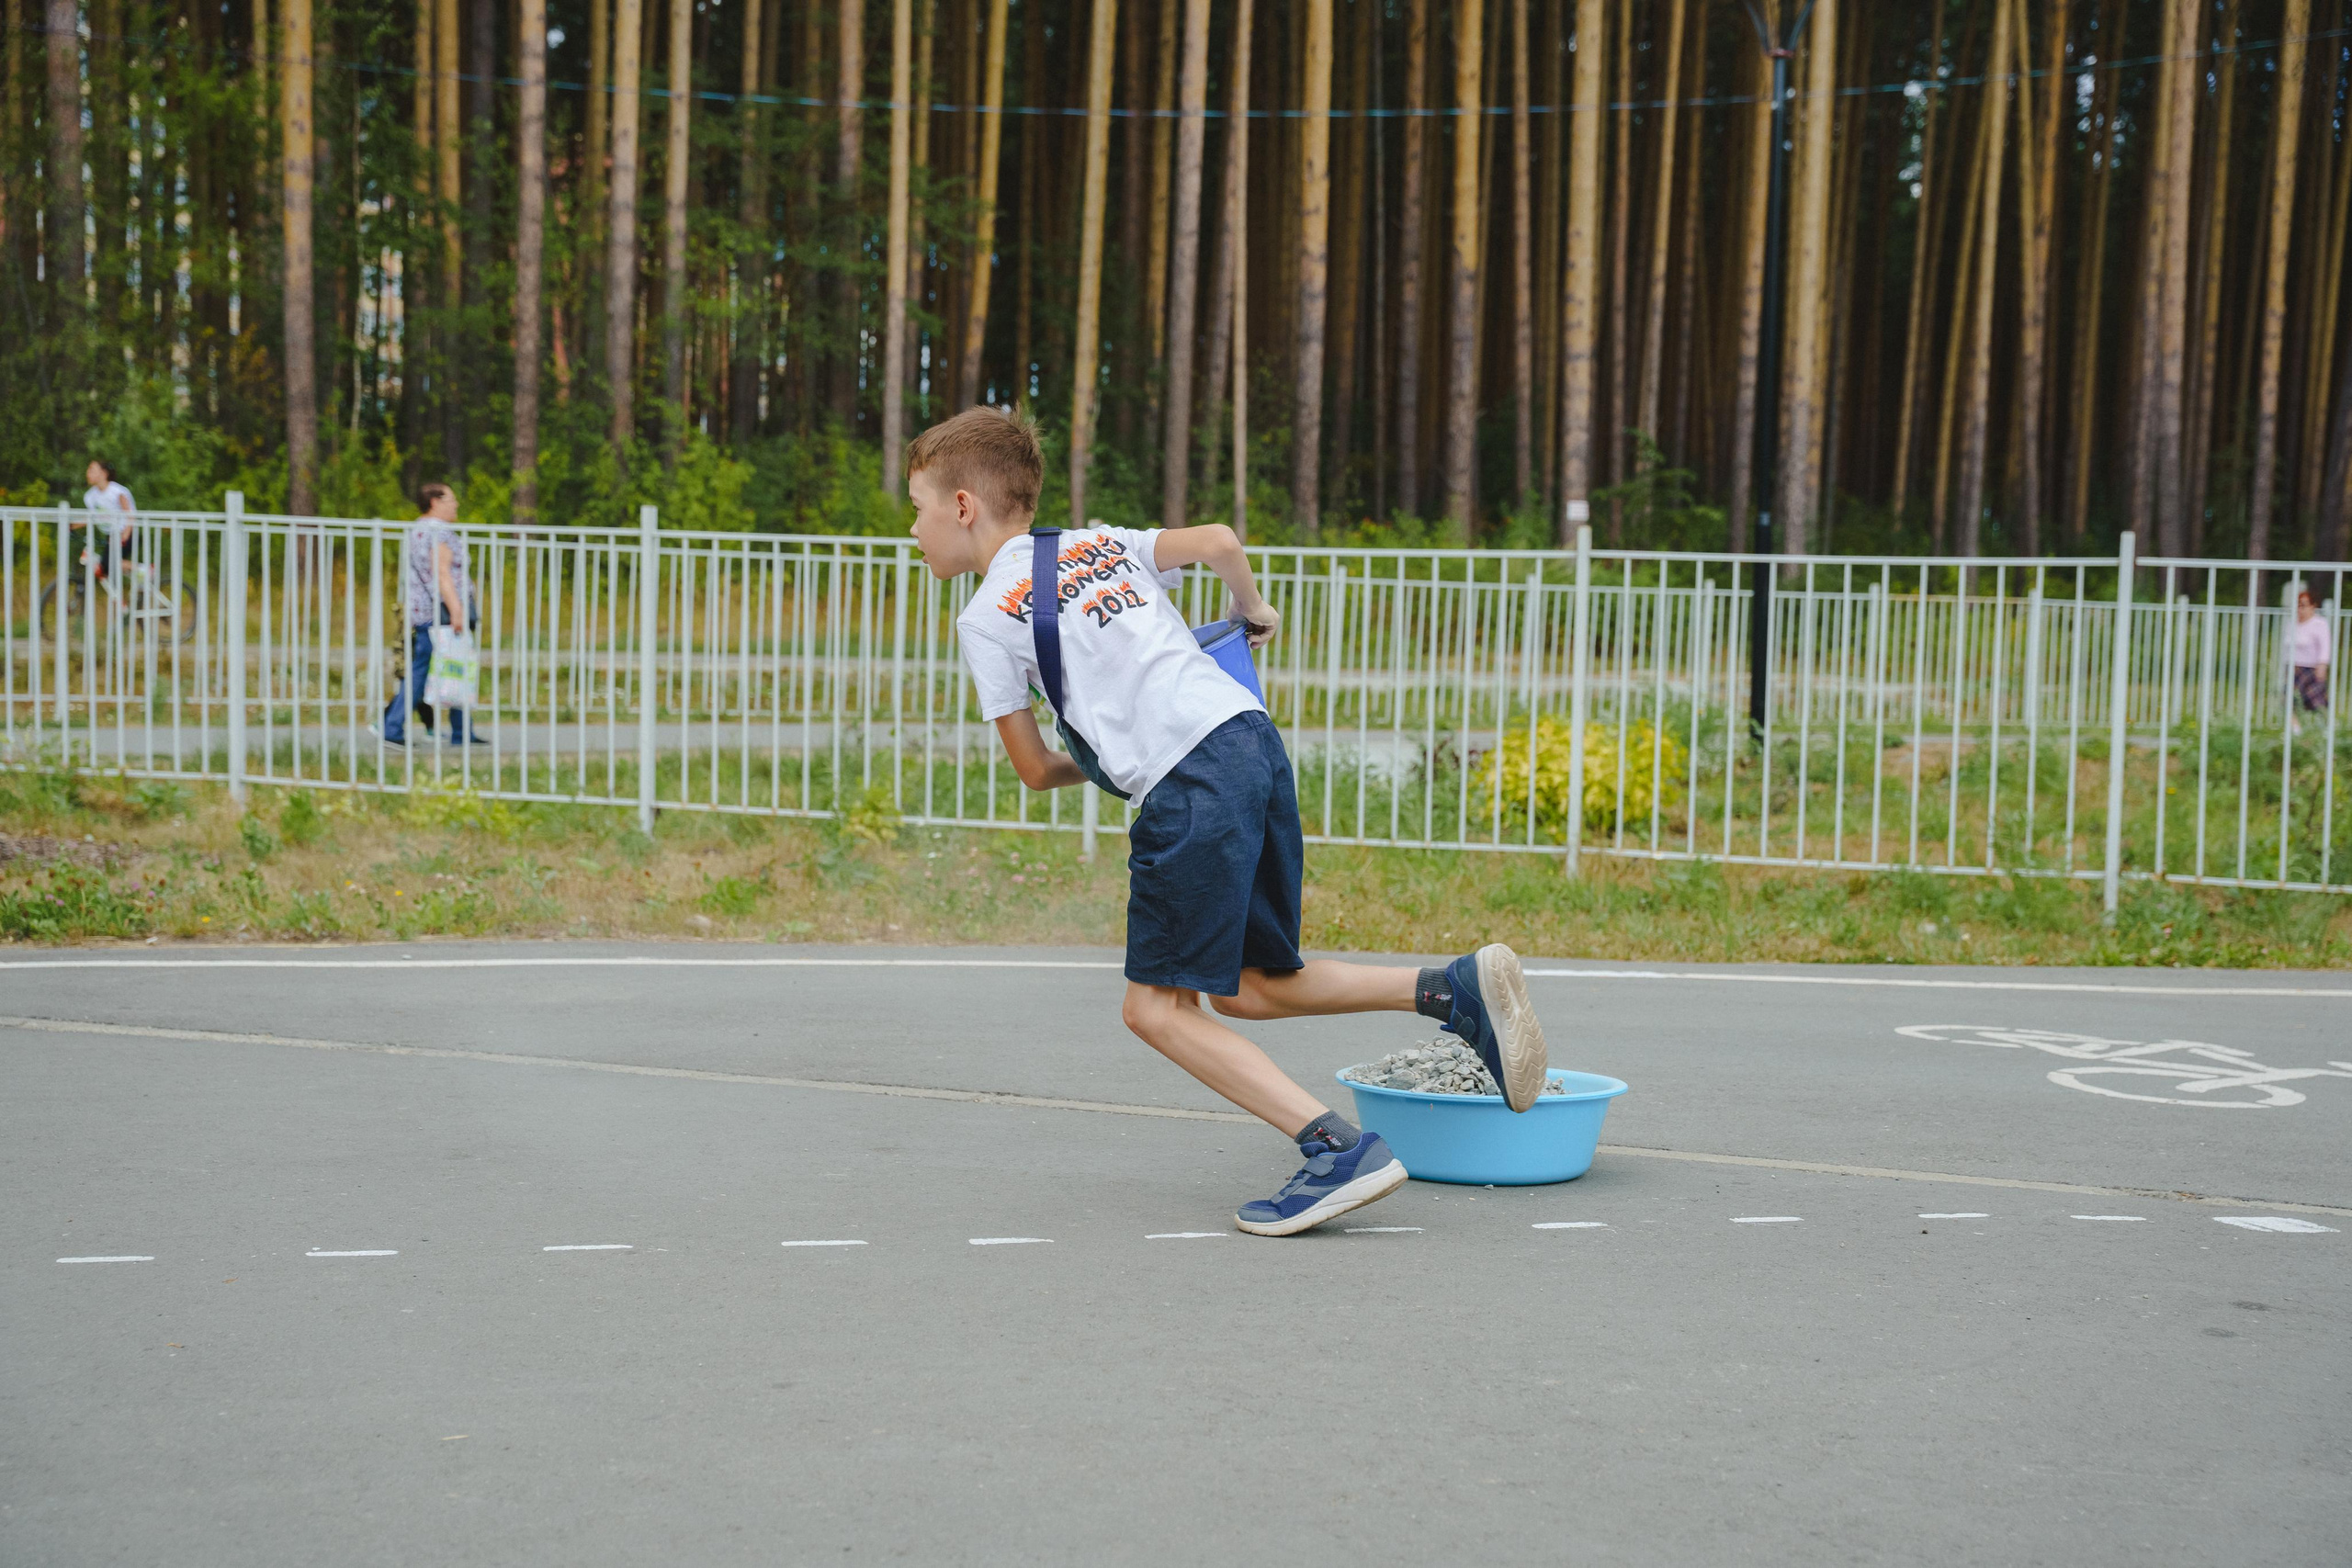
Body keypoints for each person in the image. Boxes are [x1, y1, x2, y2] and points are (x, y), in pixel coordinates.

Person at [907, 406, 1551, 1237]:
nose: (913, 528)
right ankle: (1447, 988)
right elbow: (1216, 540)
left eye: (918, 505)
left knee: (1154, 1010)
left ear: (963, 506)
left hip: (1187, 784)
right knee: (1250, 986)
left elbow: (1035, 770)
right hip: (1250, 741)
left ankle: (1335, 1148)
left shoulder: (987, 617)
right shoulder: (1101, 543)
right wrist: (1252, 614)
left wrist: (1105, 759)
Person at [376, 482, 484, 748]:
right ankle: (392, 727)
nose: (456, 505)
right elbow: (442, 573)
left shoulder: (418, 530)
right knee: (423, 670)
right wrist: (457, 609)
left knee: (453, 665)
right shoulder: (439, 533)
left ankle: (462, 731)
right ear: (435, 502)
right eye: (451, 499)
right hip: (440, 613)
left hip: (425, 610)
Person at [78, 459, 136, 581]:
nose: (88, 473)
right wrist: (71, 525)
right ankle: (118, 598)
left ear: (104, 473)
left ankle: (142, 569)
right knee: (105, 570)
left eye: (92, 470)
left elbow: (129, 514)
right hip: (111, 535)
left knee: (108, 565)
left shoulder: (117, 492)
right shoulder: (90, 496)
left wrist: (125, 535)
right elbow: (91, 517)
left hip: (125, 533)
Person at [2289, 586, 2332, 737]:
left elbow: (2325, 645)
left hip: (2311, 668)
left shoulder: (2319, 624)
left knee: (2317, 702)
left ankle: (2325, 730)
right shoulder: (2292, 623)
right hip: (2294, 668)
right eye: (2298, 605)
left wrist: (2322, 665)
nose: (2300, 608)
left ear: (2313, 606)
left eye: (2304, 604)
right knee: (2289, 701)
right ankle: (2295, 732)